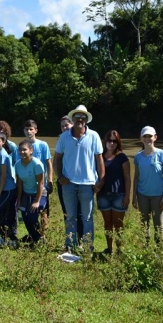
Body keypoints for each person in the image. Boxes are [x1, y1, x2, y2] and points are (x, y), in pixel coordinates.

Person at [54, 105, 104, 252]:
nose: (80, 120)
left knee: (87, 218)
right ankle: (70, 245)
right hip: (68, 183)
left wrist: (101, 181)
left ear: (86, 120)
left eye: (83, 117)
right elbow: (57, 158)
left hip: (88, 184)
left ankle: (88, 246)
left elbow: (99, 159)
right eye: (77, 117)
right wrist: (60, 177)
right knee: (70, 216)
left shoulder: (94, 136)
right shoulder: (64, 137)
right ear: (73, 119)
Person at [132, 126, 163, 245]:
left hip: (158, 195)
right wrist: (134, 196)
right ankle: (146, 247)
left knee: (158, 224)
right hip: (142, 194)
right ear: (141, 138)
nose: (147, 138)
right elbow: (136, 177)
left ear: (155, 137)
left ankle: (159, 250)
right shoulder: (138, 156)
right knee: (144, 223)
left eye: (150, 136)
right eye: (145, 136)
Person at [97, 130, 131, 254]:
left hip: (119, 195)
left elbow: (127, 178)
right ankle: (109, 249)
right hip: (103, 195)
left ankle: (119, 249)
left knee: (118, 224)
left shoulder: (122, 157)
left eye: (114, 141)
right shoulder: (99, 156)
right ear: (105, 141)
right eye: (109, 140)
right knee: (107, 223)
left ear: (118, 143)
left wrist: (127, 196)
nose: (111, 143)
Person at [23, 119, 53, 237]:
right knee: (29, 210)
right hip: (28, 184)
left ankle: (43, 235)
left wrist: (50, 179)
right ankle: (33, 234)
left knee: (43, 210)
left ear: (36, 130)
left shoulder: (42, 144)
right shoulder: (23, 146)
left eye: (31, 129)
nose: (29, 131)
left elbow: (48, 162)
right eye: (26, 129)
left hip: (42, 183)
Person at [15, 140, 47, 245]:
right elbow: (19, 183)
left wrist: (37, 201)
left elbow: (41, 184)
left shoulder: (37, 164)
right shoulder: (18, 164)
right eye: (20, 150)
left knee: (32, 216)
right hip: (26, 194)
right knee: (25, 216)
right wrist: (19, 199)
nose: (22, 152)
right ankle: (34, 237)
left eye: (25, 149)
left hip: (39, 194)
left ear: (31, 150)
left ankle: (39, 238)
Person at [57, 116, 73, 220]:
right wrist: (60, 177)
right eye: (62, 126)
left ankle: (81, 235)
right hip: (63, 180)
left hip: (78, 181)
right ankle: (70, 234)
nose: (64, 128)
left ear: (72, 124)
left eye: (66, 125)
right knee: (66, 211)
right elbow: (55, 161)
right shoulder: (61, 140)